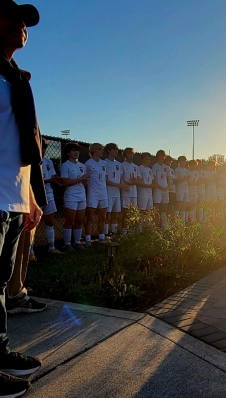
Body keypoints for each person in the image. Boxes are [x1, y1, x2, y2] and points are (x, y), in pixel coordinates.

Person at [0, 2, 46, 396]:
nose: (19, 25)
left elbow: (18, 144)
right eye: (8, 15)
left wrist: (28, 196)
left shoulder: (14, 77)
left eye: (24, 22)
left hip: (12, 197)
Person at [60, 142, 89, 250]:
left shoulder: (82, 166)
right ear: (68, 153)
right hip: (71, 196)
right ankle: (67, 244)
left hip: (82, 195)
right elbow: (65, 183)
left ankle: (77, 242)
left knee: (79, 220)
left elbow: (84, 183)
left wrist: (85, 180)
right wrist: (81, 178)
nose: (76, 152)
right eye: (73, 150)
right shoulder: (65, 165)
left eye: (77, 150)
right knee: (69, 220)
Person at [41, 138, 62, 253]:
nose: (43, 150)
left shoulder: (48, 162)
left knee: (50, 222)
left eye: (44, 148)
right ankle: (30, 252)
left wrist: (58, 179)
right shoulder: (30, 162)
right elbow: (31, 181)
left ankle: (51, 247)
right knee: (32, 224)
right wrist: (50, 181)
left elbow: (53, 176)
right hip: (35, 196)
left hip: (49, 195)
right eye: (41, 147)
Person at [84, 143, 108, 245]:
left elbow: (105, 178)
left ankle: (101, 237)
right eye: (99, 149)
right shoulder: (88, 164)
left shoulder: (104, 163)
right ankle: (88, 239)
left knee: (103, 217)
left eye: (102, 149)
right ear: (93, 151)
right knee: (90, 217)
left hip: (103, 193)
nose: (102, 151)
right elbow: (85, 179)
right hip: (92, 194)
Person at [104, 143, 129, 236]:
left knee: (115, 215)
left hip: (117, 193)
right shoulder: (104, 163)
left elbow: (121, 178)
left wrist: (124, 186)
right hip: (108, 193)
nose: (116, 151)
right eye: (114, 149)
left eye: (117, 149)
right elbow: (106, 180)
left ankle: (113, 234)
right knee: (107, 215)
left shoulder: (118, 164)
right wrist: (119, 185)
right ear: (108, 151)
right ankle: (105, 235)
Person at [121, 147, 139, 235]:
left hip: (134, 193)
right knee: (126, 213)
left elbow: (138, 180)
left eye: (132, 153)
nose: (131, 155)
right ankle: (124, 232)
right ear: (125, 155)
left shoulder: (136, 166)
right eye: (128, 153)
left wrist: (135, 182)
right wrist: (127, 183)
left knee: (133, 213)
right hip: (126, 192)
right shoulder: (122, 165)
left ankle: (132, 232)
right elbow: (120, 178)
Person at [152, 150, 170, 228]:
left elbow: (169, 179)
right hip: (158, 190)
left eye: (163, 156)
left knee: (164, 208)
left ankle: (164, 225)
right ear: (157, 157)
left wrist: (168, 186)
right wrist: (160, 187)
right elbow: (154, 179)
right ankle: (156, 225)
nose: (162, 157)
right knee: (156, 207)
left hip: (165, 190)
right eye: (160, 156)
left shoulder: (167, 167)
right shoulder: (155, 166)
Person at [174, 156, 190, 222]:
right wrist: (185, 179)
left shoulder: (186, 170)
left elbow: (188, 180)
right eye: (182, 160)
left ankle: (182, 222)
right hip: (180, 188)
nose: (184, 162)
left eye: (185, 160)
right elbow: (176, 181)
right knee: (179, 204)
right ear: (179, 161)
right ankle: (176, 221)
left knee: (184, 205)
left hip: (186, 188)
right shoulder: (177, 169)